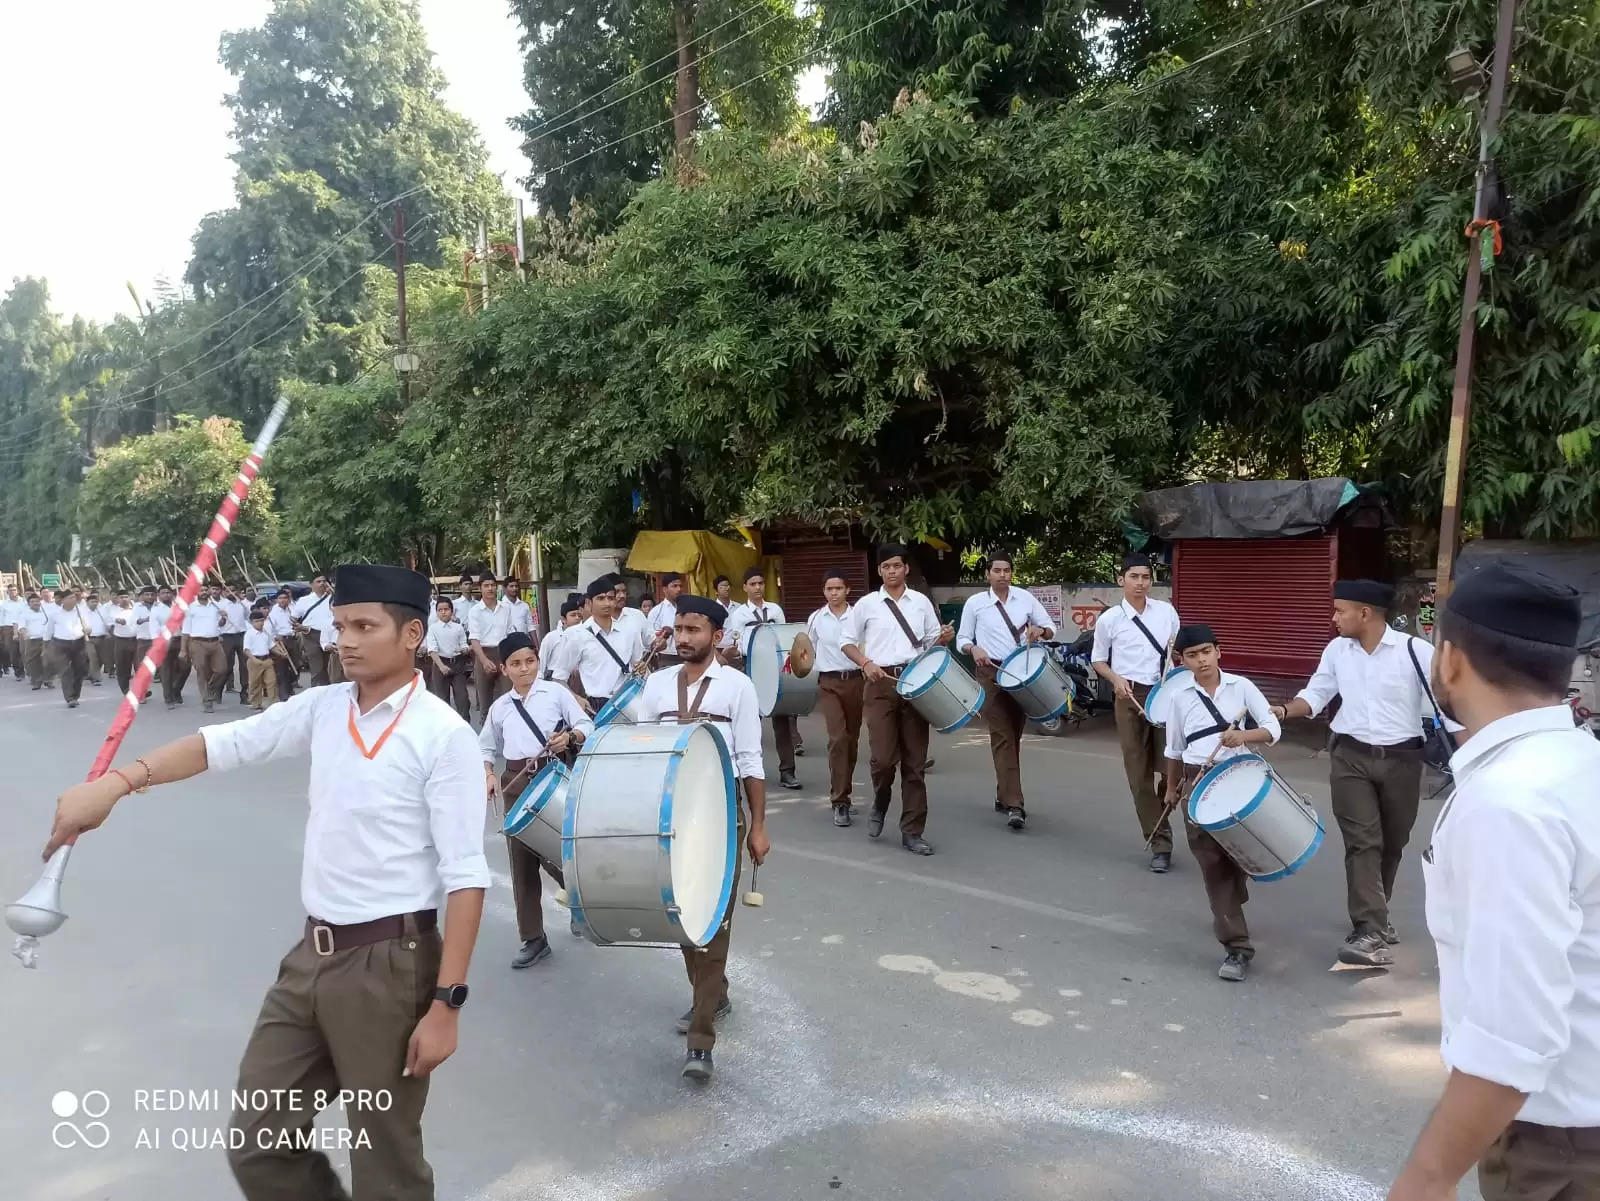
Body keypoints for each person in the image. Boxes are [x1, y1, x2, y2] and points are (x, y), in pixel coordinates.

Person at [44, 563, 487, 1201]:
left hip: (393, 965)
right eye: (339, 626)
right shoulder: (325, 707)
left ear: (413, 633)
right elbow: (221, 744)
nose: (346, 640)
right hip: (312, 958)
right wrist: (116, 784)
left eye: (364, 626)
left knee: (386, 1165)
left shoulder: (445, 738)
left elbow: (466, 879)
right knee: (259, 1140)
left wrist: (447, 1006)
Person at [1385, 562, 1598, 1201]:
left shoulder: (1511, 802)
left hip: (1559, 1147)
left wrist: (1425, 1180)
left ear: (1449, 659)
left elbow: (1513, 1038)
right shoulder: (1579, 762)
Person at [1271, 579, 1446, 967]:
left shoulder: (1416, 652)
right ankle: (1369, 929)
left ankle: (1376, 917)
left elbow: (1443, 706)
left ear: (1364, 613)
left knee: (1392, 843)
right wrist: (1282, 711)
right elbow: (1316, 694)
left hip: (1403, 760)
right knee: (1363, 841)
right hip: (1349, 756)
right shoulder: (1337, 651)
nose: (1334, 619)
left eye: (1340, 611)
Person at [631, 595, 770, 1082]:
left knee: (713, 925)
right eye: (679, 629)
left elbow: (750, 759)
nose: (685, 637)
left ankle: (701, 1039)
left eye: (694, 629)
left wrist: (758, 824)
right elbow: (643, 751)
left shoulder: (738, 686)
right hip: (670, 818)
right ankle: (715, 993)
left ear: (716, 634)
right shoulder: (655, 685)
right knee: (684, 916)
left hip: (721, 817)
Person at [1160, 625, 1281, 982]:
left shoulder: (1242, 687)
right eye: (1191, 656)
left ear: (1218, 651)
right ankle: (1237, 947)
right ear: (1182, 662)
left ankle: (1233, 896)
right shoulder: (1179, 699)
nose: (1201, 660)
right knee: (1212, 864)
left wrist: (1243, 735)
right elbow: (1174, 749)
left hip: (1239, 778)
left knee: (1238, 859)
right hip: (1197, 781)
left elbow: (1273, 729)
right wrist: (1171, 787)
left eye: (1205, 652)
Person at [479, 632, 592, 970]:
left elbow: (586, 723)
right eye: (516, 664)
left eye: (530, 661)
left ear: (538, 662)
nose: (524, 668)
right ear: (504, 668)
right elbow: (485, 746)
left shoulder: (555, 693)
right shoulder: (500, 708)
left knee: (557, 851)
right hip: (515, 783)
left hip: (552, 778)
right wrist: (487, 774)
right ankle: (533, 938)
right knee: (522, 861)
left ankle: (578, 901)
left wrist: (570, 737)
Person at [841, 544, 952, 855]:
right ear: (880, 571)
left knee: (915, 763)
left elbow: (931, 642)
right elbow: (846, 642)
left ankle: (913, 831)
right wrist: (865, 662)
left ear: (906, 569)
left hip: (917, 682)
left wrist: (943, 638)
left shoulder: (920, 603)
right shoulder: (866, 605)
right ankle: (880, 798)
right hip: (879, 684)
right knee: (883, 759)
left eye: (897, 566)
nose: (891, 571)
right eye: (886, 566)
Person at [1092, 553, 1183, 872]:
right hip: (1128, 696)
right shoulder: (1109, 620)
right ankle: (1160, 842)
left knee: (1173, 769)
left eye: (1146, 577)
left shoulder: (1167, 613)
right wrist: (1115, 679)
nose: (1141, 583)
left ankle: (1161, 814)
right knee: (1138, 774)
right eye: (1134, 577)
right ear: (1121, 580)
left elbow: (1176, 653)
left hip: (1166, 693)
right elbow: (1098, 660)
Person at [956, 553, 1055, 831]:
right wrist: (973, 648)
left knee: (1013, 735)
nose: (1002, 574)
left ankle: (1003, 793)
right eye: (997, 570)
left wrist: (1040, 631)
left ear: (1012, 573)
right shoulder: (975, 603)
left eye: (1007, 570)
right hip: (991, 673)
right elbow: (963, 639)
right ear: (987, 574)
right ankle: (1015, 805)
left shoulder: (1025, 598)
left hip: (1022, 673)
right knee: (1002, 736)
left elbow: (1051, 628)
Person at [723, 565, 801, 790]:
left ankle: (788, 772)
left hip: (775, 668)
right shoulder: (739, 615)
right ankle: (751, 772)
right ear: (745, 588)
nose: (757, 587)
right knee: (750, 722)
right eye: (752, 584)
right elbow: (736, 643)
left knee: (782, 720)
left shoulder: (775, 610)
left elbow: (785, 636)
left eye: (760, 583)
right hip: (750, 667)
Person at [808, 568, 864, 827]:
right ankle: (839, 801)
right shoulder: (816, 618)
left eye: (838, 588)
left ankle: (846, 794)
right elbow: (804, 649)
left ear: (847, 590)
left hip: (857, 681)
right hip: (828, 683)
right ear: (824, 591)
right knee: (838, 739)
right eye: (829, 589)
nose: (834, 593)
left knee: (851, 741)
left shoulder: (859, 616)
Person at [570, 576, 650, 711]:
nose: (607, 603)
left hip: (628, 699)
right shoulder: (576, 635)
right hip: (595, 705)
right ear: (589, 603)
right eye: (600, 598)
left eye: (610, 598)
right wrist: (576, 698)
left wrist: (641, 667)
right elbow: (558, 678)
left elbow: (637, 664)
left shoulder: (630, 630)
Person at [465, 573, 514, 721]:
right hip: (483, 655)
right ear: (480, 588)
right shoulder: (475, 611)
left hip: (503, 654)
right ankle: (486, 739)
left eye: (492, 585)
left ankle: (508, 734)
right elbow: (474, 639)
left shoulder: (506, 608)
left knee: (508, 698)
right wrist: (484, 660)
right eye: (486, 585)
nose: (490, 588)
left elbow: (510, 632)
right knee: (485, 701)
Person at [182, 584, 229, 713]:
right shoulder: (191, 608)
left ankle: (210, 688)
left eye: (205, 590)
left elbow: (219, 624)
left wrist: (223, 619)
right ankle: (207, 700)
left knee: (222, 669)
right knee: (201, 670)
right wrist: (183, 649)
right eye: (200, 590)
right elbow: (186, 631)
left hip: (215, 641)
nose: (203, 592)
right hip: (197, 642)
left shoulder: (214, 606)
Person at [425, 597, 472, 721]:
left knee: (463, 699)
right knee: (442, 701)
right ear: (436, 612)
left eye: (446, 609)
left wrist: (465, 649)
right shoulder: (433, 628)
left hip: (457, 664)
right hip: (441, 664)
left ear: (451, 611)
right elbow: (432, 650)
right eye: (440, 610)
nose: (443, 612)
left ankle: (465, 726)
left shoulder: (458, 628)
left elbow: (464, 644)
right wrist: (441, 666)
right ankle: (446, 730)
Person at [46, 588, 91, 708]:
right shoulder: (55, 614)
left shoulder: (81, 611)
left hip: (78, 642)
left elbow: (88, 626)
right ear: (63, 601)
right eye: (70, 598)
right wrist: (46, 645)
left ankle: (75, 695)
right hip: (60, 644)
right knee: (65, 671)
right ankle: (69, 697)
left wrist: (88, 630)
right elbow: (49, 631)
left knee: (79, 670)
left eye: (74, 597)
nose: (74, 599)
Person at [290, 572, 336, 687]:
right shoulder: (304, 600)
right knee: (317, 668)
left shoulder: (333, 598)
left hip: (331, 635)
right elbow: (293, 618)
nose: (322, 584)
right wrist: (301, 628)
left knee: (332, 667)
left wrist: (333, 593)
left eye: (324, 581)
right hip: (311, 635)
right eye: (318, 581)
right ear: (311, 585)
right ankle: (317, 692)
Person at [241, 607, 283, 710]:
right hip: (254, 660)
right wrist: (254, 660)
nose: (260, 623)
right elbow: (246, 650)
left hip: (267, 660)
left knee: (271, 682)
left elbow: (271, 646)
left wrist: (281, 653)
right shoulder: (249, 634)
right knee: (255, 683)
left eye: (261, 620)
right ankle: (256, 703)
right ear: (252, 622)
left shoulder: (266, 632)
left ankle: (273, 703)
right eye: (256, 621)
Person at [218, 582, 250, 704]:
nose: (231, 592)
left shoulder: (242, 604)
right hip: (227, 637)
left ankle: (244, 694)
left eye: (233, 590)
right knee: (226, 666)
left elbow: (247, 618)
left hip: (241, 636)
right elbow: (218, 624)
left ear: (236, 591)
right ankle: (218, 691)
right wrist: (222, 618)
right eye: (228, 590)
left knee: (244, 666)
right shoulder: (220, 606)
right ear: (224, 592)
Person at [107, 588, 140, 694]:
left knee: (139, 666)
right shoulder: (112, 610)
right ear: (117, 599)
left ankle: (141, 690)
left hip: (136, 640)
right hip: (121, 641)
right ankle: (126, 690)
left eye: (126, 597)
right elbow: (109, 620)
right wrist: (116, 620)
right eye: (121, 597)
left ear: (130, 598)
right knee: (123, 668)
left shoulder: (137, 608)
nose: (124, 599)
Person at [267, 589, 299, 699]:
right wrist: (276, 638)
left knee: (296, 667)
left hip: (293, 639)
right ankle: (283, 693)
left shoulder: (292, 610)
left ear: (288, 599)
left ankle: (290, 687)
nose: (283, 600)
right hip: (280, 641)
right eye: (280, 598)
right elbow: (270, 630)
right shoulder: (272, 613)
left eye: (285, 598)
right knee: (282, 669)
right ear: (276, 600)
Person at [649, 573, 683, 666]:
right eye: (674, 586)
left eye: (680, 586)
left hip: (687, 656)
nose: (679, 589)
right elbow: (651, 638)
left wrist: (674, 631)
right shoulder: (656, 612)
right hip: (667, 657)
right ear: (664, 589)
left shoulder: (687, 609)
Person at [18, 592, 50, 689]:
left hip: (46, 640)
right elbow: (22, 627)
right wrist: (25, 634)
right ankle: (37, 681)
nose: (35, 603)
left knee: (47, 660)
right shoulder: (24, 614)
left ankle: (48, 679)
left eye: (37, 601)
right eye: (32, 601)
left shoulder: (45, 612)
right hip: (32, 640)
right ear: (28, 603)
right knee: (33, 661)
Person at [132, 585, 157, 702]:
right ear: (142, 596)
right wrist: (147, 619)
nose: (150, 597)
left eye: (152, 594)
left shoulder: (160, 606)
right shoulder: (137, 607)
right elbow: (136, 620)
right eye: (147, 594)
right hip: (144, 640)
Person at [0, 583, 25, 680]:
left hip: (21, 628)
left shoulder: (23, 602)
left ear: (17, 591)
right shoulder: (4, 604)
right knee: (13, 652)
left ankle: (22, 670)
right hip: (8, 628)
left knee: (22, 651)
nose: (12, 592)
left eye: (14, 590)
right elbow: (1, 618)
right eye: (10, 590)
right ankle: (18, 672)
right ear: (7, 592)